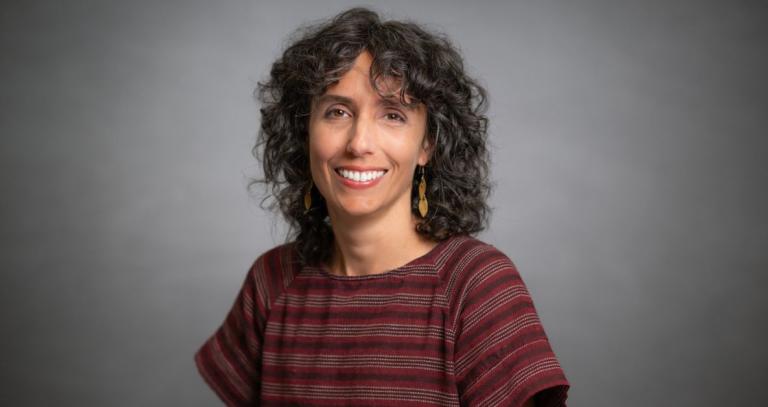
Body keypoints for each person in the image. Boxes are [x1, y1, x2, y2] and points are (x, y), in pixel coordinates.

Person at [195, 7, 569, 406]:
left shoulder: (475, 286)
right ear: (305, 132)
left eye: (393, 115)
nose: (358, 143)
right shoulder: (272, 282)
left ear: (427, 145)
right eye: (337, 112)